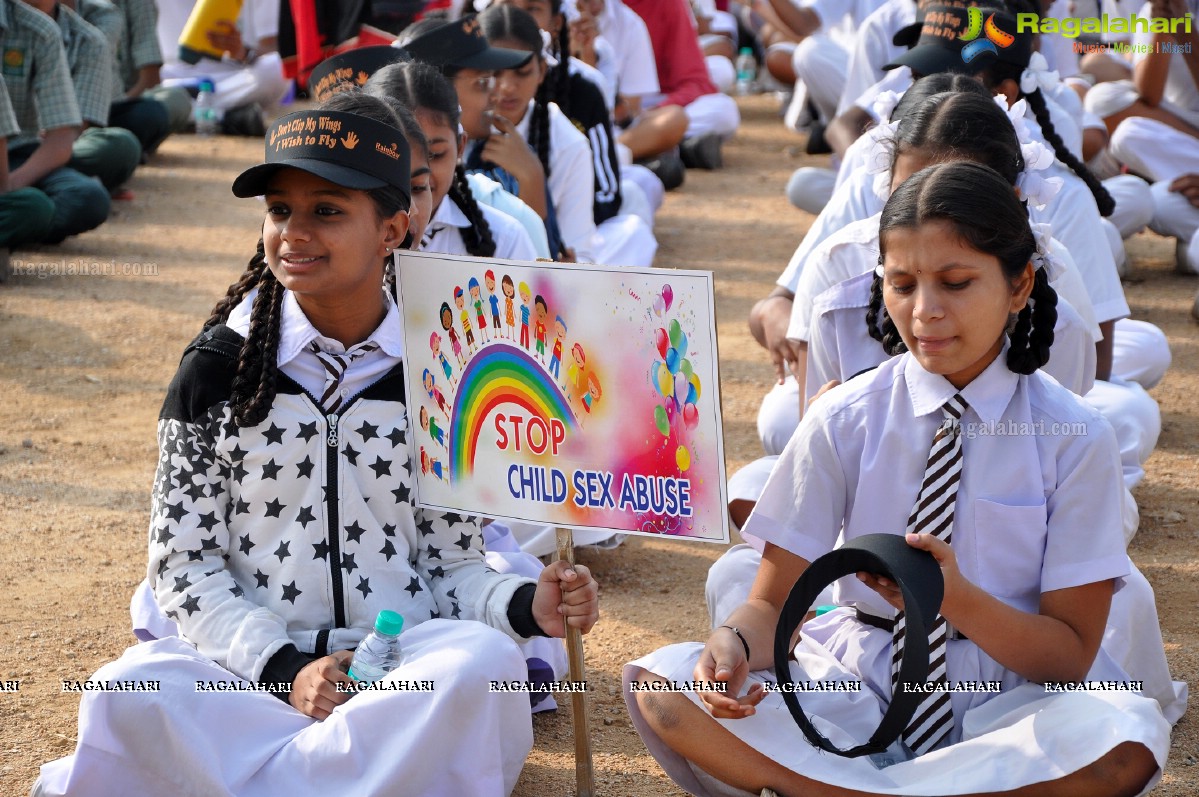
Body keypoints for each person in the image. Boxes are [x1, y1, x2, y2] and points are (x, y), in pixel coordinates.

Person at [33, 94, 599, 797]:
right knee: (128, 690)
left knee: (482, 664)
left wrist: (526, 607)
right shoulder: (215, 369)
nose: (293, 232)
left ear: (392, 228)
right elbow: (184, 566)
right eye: (279, 210)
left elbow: (452, 564)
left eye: (326, 210)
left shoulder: (444, 374)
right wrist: (285, 668)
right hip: (250, 678)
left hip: (397, 673)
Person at [624, 160, 1169, 797]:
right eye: (902, 284)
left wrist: (953, 596)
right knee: (665, 689)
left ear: (1020, 285)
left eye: (956, 282)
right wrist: (733, 642)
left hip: (1013, 697)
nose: (925, 311)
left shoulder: (1075, 434)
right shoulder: (844, 416)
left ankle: (846, 791)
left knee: (1123, 736)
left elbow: (1070, 655)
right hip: (855, 686)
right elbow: (772, 603)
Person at [365, 59, 539, 261]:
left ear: (460, 147)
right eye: (396, 155)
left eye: (435, 154)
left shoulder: (506, 239)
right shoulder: (345, 235)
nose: (420, 172)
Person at [1, 0, 111, 244]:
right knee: (31, 207)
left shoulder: (42, 30)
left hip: (18, 154)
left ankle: (20, 224)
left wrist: (11, 185)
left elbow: (62, 137)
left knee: (85, 197)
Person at [155, 0, 290, 135]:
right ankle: (227, 118)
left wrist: (243, 52)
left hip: (233, 76)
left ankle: (180, 113)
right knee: (145, 84)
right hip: (171, 75)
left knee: (279, 68)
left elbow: (272, 48)